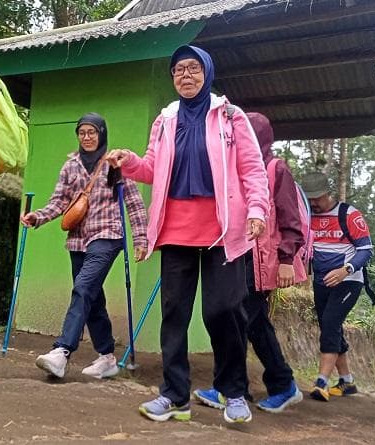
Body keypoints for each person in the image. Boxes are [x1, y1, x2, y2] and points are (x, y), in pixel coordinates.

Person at [108, 45, 269, 424]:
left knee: (223, 310)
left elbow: (252, 169)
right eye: (178, 70)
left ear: (207, 73)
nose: (185, 76)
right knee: (174, 313)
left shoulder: (230, 116)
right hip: (175, 227)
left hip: (222, 229)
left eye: (193, 69)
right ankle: (174, 395)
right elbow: (152, 168)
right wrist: (129, 161)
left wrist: (258, 210)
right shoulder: (164, 121)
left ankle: (233, 392)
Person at [192, 112, 305, 414]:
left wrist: (286, 259)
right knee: (252, 324)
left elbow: (291, 219)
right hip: (236, 257)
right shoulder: (234, 170)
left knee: (239, 323)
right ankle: (281, 384)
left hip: (263, 264)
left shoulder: (274, 169)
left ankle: (231, 389)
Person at [20, 112, 147, 380]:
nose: (87, 137)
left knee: (83, 287)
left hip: (108, 236)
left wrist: (141, 239)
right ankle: (107, 357)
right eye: (82, 133)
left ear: (102, 133)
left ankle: (61, 351)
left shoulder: (115, 162)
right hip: (78, 239)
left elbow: (133, 203)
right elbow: (59, 202)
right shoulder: (71, 166)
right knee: (92, 296)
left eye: (92, 132)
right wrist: (38, 216)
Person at [300, 172, 374, 401]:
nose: (313, 203)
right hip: (322, 281)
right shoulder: (309, 215)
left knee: (331, 323)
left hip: (348, 282)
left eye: (317, 198)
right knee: (328, 325)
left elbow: (365, 250)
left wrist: (346, 270)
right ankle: (347, 381)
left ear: (328, 193)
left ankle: (321, 381)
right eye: (309, 198)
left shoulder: (349, 215)